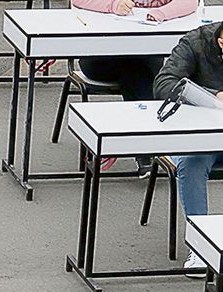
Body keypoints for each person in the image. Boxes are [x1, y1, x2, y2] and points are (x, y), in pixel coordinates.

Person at [72, 0, 192, 177]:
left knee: (139, 70)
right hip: (101, 53)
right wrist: (113, 5)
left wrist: (160, 14)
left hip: (146, 50)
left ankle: (142, 148)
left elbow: (190, 3)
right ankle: (150, 149)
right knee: (139, 72)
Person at [154, 21, 223, 271]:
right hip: (199, 136)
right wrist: (211, 95)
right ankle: (200, 246)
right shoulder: (194, 43)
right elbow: (163, 84)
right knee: (192, 161)